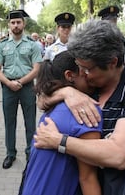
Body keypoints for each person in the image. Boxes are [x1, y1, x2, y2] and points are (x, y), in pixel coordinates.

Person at [33, 19, 125, 194]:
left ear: (112, 62)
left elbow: (119, 155)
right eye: (80, 68)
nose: (83, 75)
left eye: (87, 69)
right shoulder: (90, 86)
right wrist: (67, 93)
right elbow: (42, 100)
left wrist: (59, 141)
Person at [21, 51, 102, 195]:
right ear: (70, 75)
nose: (91, 75)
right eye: (86, 70)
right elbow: (87, 178)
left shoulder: (55, 105)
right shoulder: (85, 111)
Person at [0, 10, 42, 169]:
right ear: (9, 25)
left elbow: (36, 69)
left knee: (30, 122)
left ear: (23, 23)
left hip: (27, 87)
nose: (15, 25)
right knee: (9, 122)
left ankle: (31, 153)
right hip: (8, 88)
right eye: (13, 23)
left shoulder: (32, 45)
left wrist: (19, 82)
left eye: (18, 22)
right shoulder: (2, 45)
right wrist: (8, 83)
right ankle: (10, 154)